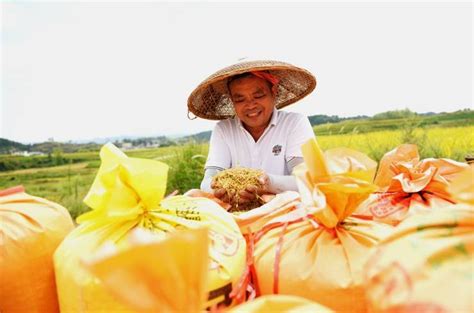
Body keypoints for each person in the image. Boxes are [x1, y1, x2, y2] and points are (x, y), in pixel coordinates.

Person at [187, 60, 317, 206]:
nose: (250, 105)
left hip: (285, 210)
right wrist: (219, 190)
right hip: (237, 211)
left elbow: (307, 179)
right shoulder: (224, 130)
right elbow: (208, 180)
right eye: (240, 99)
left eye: (258, 96)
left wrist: (268, 183)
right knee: (191, 197)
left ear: (273, 92)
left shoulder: (294, 123)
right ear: (232, 101)